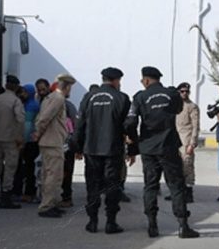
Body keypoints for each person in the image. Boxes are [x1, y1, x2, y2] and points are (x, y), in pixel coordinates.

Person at [125, 66, 199, 238]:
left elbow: (130, 123)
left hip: (149, 148)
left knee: (150, 186)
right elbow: (179, 109)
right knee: (176, 185)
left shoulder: (140, 97)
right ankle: (183, 225)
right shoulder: (171, 94)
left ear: (146, 80)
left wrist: (134, 144)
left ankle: (152, 225)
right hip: (168, 146)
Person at [73, 67, 135, 233]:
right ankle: (110, 222)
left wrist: (77, 147)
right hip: (112, 149)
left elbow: (79, 125)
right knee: (112, 186)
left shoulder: (88, 97)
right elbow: (130, 124)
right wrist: (132, 146)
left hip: (91, 149)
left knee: (92, 185)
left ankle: (92, 221)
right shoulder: (121, 98)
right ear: (116, 81)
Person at [33, 73, 76, 218]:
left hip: (49, 141)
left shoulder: (49, 97)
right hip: (53, 141)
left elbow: (41, 116)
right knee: (54, 176)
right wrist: (38, 132)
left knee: (49, 174)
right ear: (67, 86)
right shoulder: (58, 98)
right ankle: (47, 206)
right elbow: (45, 118)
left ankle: (52, 203)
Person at [0, 75, 25, 209]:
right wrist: (19, 137)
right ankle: (6, 197)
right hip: (11, 140)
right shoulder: (16, 101)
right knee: (9, 167)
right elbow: (20, 119)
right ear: (16, 86)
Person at [13, 83, 41, 202]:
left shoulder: (31, 105)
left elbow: (28, 125)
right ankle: (22, 191)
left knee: (29, 168)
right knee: (25, 167)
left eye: (24, 92)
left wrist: (22, 141)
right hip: (28, 140)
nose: (22, 94)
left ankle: (28, 192)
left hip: (29, 141)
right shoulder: (28, 104)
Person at [173, 82, 200, 203]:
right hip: (175, 141)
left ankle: (189, 192)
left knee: (187, 166)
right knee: (176, 168)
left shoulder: (192, 106)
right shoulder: (174, 106)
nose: (184, 93)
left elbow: (195, 126)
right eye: (182, 91)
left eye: (187, 91)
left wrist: (192, 143)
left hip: (186, 140)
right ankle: (179, 192)